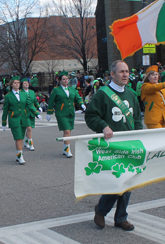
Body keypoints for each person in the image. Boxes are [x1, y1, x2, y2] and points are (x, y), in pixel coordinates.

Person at [86, 60, 142, 231]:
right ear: (112, 74)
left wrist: (141, 136)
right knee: (116, 181)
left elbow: (138, 118)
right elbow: (91, 116)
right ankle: (101, 210)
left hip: (129, 144)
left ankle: (121, 218)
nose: (125, 75)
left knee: (128, 182)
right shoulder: (103, 94)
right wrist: (103, 126)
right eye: (121, 72)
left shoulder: (131, 94)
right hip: (110, 146)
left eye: (127, 71)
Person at [2, 76, 42, 164]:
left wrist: (36, 113)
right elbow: (5, 110)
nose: (17, 84)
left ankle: (17, 153)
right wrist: (4, 122)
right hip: (14, 119)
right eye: (15, 83)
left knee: (21, 138)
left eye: (18, 83)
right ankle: (20, 156)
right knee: (18, 138)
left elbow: (29, 105)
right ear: (11, 84)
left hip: (23, 118)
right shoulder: (8, 96)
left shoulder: (24, 94)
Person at [46, 71, 86, 157]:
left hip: (70, 112)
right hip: (61, 113)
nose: (66, 80)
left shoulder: (72, 89)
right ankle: (68, 150)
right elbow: (51, 101)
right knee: (67, 130)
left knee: (68, 131)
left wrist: (81, 104)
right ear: (60, 80)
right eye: (63, 79)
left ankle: (65, 148)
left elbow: (77, 98)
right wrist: (49, 112)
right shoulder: (56, 90)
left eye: (67, 79)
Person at [21, 77, 42, 151]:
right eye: (24, 83)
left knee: (29, 129)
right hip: (24, 113)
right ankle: (31, 144)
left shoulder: (32, 92)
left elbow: (35, 101)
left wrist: (38, 107)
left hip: (32, 113)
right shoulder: (20, 92)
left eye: (27, 83)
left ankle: (26, 141)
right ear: (22, 85)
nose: (26, 84)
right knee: (29, 128)